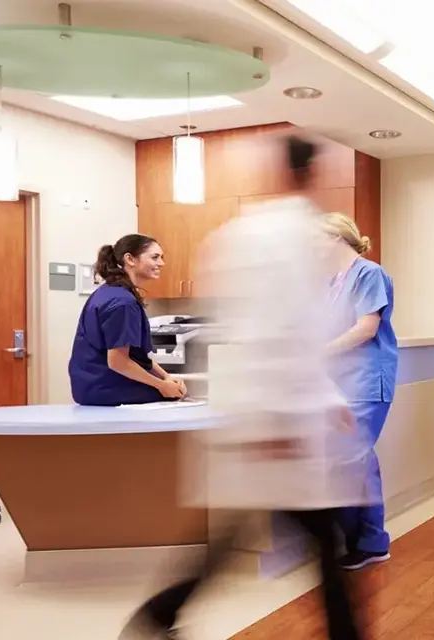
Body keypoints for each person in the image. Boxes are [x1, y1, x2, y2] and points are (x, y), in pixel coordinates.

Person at [121, 136, 367, 640]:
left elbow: (275, 332)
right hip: (273, 421)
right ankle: (157, 616)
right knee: (319, 541)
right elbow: (279, 332)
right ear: (310, 173)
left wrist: (323, 400)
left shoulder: (240, 234)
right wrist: (284, 420)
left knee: (239, 539)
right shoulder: (290, 239)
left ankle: (159, 616)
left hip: (260, 415)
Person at [322, 213, 398, 571]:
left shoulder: (369, 273)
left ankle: (370, 542)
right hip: (341, 381)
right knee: (353, 460)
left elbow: (366, 328)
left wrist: (321, 351)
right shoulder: (332, 281)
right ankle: (364, 540)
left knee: (351, 458)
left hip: (367, 379)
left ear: (336, 237)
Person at [68, 235, 186, 406]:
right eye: (155, 257)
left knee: (173, 390)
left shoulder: (109, 292)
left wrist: (165, 376)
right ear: (130, 259)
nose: (161, 263)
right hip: (105, 387)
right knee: (175, 396)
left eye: (161, 257)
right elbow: (118, 361)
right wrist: (162, 386)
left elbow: (134, 356)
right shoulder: (123, 303)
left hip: (90, 384)